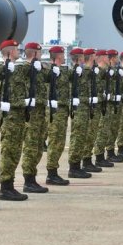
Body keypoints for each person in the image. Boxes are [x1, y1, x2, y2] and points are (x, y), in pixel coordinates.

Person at [0, 39, 29, 201]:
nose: (19, 51)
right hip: (9, 118)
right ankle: (5, 187)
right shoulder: (0, 70)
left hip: (18, 117)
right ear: (9, 51)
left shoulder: (15, 70)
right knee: (9, 151)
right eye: (16, 49)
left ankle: (10, 185)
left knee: (15, 151)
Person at [20, 42, 50, 193]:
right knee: (31, 147)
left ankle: (32, 177)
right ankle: (28, 180)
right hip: (30, 114)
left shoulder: (38, 68)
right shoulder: (23, 69)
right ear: (35, 53)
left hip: (40, 113)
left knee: (38, 147)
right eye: (39, 53)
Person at [45, 46, 70, 185]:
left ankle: (54, 171)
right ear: (58, 56)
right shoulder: (48, 72)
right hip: (54, 112)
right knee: (55, 141)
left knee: (60, 142)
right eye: (62, 54)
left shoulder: (63, 71)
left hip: (63, 110)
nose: (64, 56)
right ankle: (51, 173)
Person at [68, 48, 93, 178]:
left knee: (81, 136)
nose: (85, 58)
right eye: (82, 56)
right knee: (77, 137)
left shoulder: (81, 71)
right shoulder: (72, 72)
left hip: (84, 108)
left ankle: (77, 165)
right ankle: (73, 167)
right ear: (79, 58)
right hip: (78, 109)